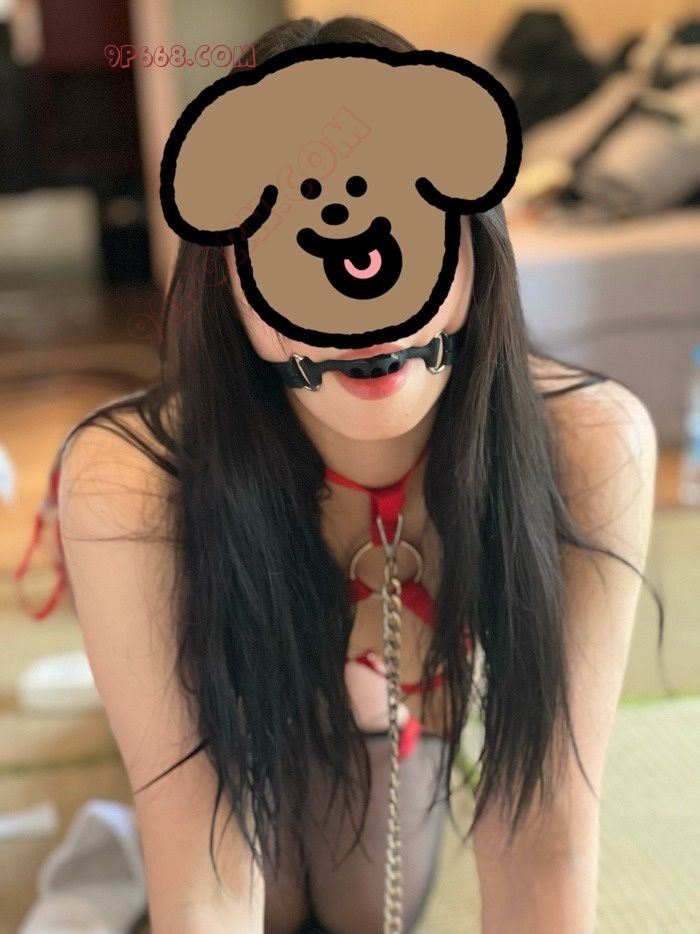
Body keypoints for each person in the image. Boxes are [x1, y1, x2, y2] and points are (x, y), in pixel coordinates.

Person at [30, 16, 661, 934]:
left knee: (363, 910)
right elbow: (201, 879)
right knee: (247, 880)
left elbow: (547, 837)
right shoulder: (131, 480)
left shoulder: (593, 446)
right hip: (220, 701)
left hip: (393, 716)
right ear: (225, 275)